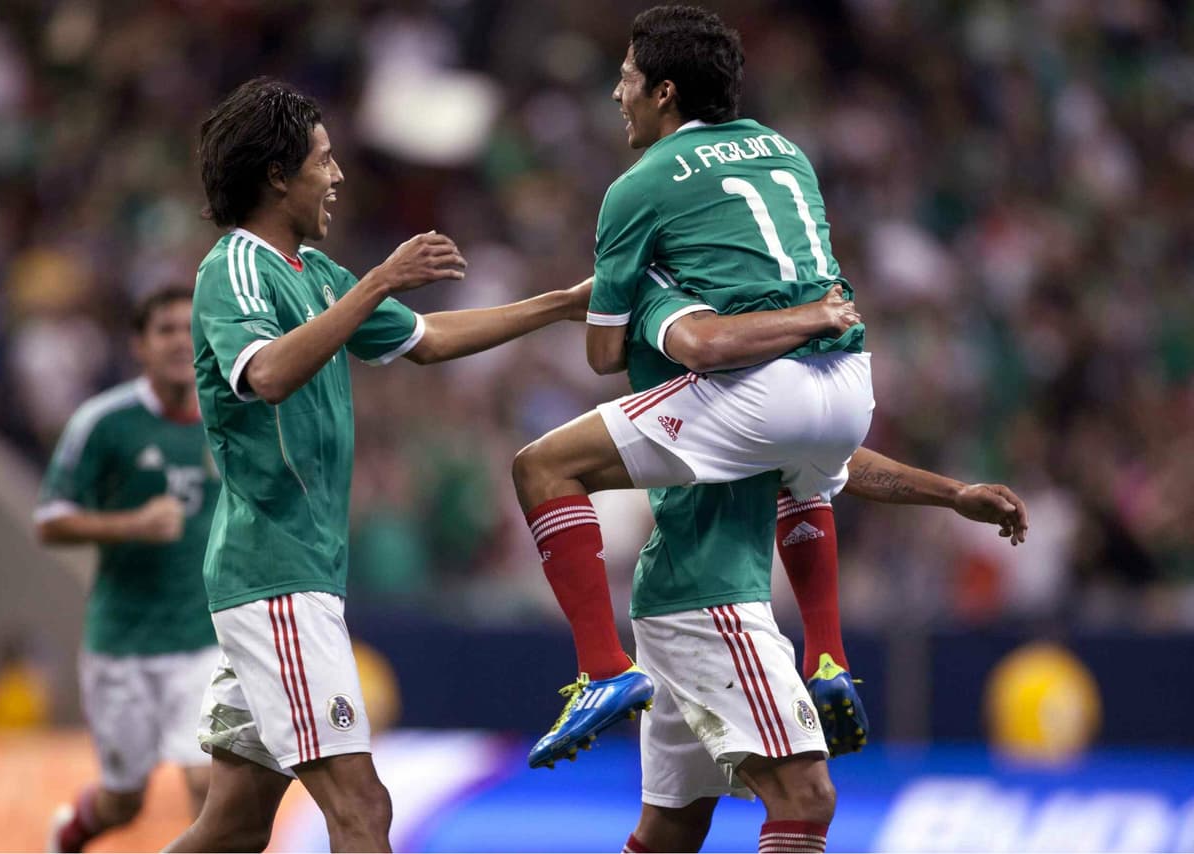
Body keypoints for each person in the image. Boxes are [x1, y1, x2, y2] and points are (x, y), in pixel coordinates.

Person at [166, 77, 591, 854]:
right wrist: (380, 280)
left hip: (292, 576)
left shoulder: (317, 275)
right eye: (322, 160)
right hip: (275, 577)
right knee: (362, 807)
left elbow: (428, 339)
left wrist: (557, 304)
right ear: (276, 176)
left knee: (233, 827)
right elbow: (267, 373)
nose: (336, 176)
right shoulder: (235, 268)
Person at [513, 3, 873, 768]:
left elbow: (602, 355)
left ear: (664, 92)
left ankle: (602, 668)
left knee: (543, 466)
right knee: (800, 475)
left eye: (627, 78)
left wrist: (643, 293)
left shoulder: (638, 186)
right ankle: (829, 655)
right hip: (850, 384)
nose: (618, 94)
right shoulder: (787, 152)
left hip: (762, 390)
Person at [618, 272, 1028, 853]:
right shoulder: (712, 343)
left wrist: (954, 494)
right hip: (709, 601)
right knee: (806, 797)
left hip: (677, 594)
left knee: (673, 828)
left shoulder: (737, 356)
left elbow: (826, 457)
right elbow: (809, 450)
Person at [36, 286, 221, 852]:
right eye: (165, 329)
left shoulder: (230, 416)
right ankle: (68, 835)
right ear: (139, 345)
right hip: (123, 642)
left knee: (207, 782)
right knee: (124, 800)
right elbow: (50, 521)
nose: (180, 341)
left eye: (190, 328)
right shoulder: (105, 422)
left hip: (204, 638)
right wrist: (131, 524)